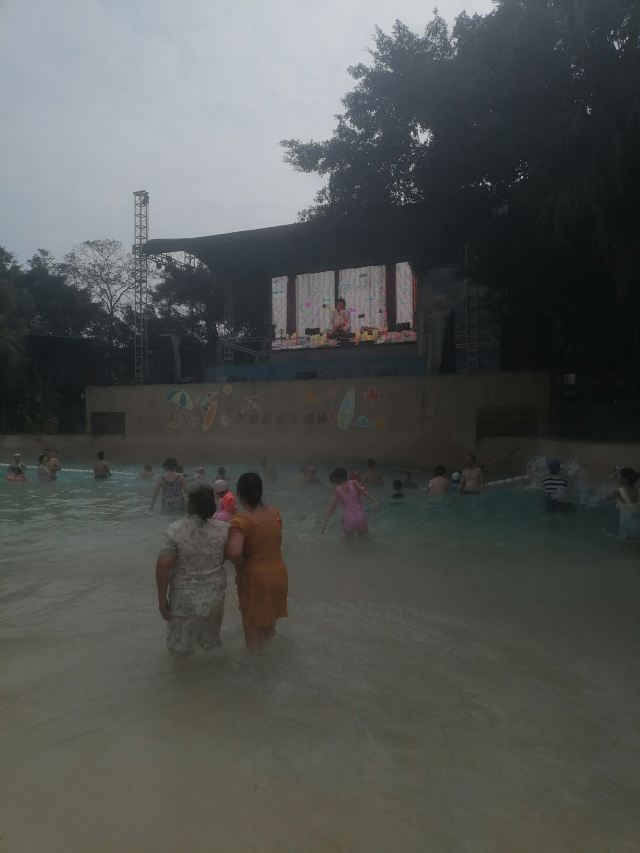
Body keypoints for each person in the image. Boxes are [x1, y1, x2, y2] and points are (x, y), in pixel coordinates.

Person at [155, 484, 229, 656]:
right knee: (210, 647)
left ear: (190, 505)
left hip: (184, 599)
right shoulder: (224, 529)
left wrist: (162, 600)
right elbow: (233, 555)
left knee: (180, 650)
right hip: (214, 596)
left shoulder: (175, 529)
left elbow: (164, 565)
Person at [226, 472, 288, 653]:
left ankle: (256, 668)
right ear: (260, 492)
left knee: (253, 637)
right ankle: (275, 666)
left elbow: (234, 552)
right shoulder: (275, 513)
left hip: (256, 580)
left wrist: (241, 565)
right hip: (279, 576)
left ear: (239, 494)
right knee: (269, 630)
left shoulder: (241, 520)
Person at [322, 467, 380, 539]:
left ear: (337, 479)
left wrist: (325, 522)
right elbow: (364, 492)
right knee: (365, 540)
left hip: (348, 519)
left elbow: (332, 507)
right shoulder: (354, 482)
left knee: (347, 543)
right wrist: (375, 501)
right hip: (360, 517)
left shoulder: (337, 489)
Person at [615, 467, 640, 539]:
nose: (617, 478)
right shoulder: (638, 490)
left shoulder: (619, 492)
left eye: (619, 476)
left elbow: (606, 498)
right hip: (637, 528)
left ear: (625, 480)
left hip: (625, 531)